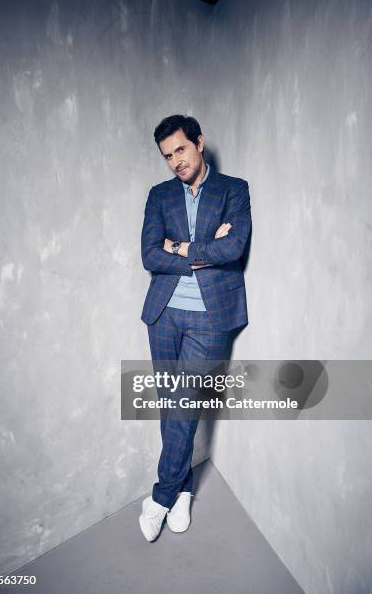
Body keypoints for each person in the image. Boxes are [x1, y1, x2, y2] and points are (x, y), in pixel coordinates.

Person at [139, 114, 251, 542]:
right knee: (171, 403)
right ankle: (184, 489)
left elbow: (234, 247)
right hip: (164, 312)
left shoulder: (233, 190)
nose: (175, 162)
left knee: (183, 403)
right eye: (167, 156)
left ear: (199, 143)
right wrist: (204, 249)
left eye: (180, 150)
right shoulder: (160, 195)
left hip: (211, 316)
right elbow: (150, 254)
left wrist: (179, 246)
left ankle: (161, 496)